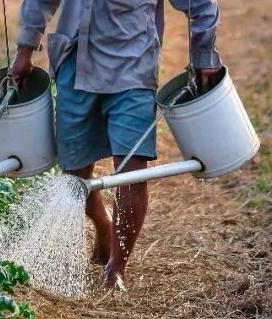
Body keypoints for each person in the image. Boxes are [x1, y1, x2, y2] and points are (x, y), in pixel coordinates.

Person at [11, 0, 223, 289]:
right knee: (75, 174)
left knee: (132, 173)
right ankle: (103, 224)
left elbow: (200, 4)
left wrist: (204, 54)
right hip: (74, 63)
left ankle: (116, 268)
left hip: (132, 67)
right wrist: (25, 48)